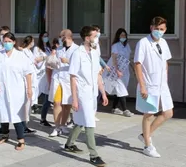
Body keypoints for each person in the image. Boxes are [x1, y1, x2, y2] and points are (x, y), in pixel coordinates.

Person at [64, 26, 107, 166]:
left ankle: (69, 144)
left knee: (82, 120)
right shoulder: (77, 53)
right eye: (95, 36)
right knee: (89, 123)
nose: (97, 38)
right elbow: (73, 77)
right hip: (82, 93)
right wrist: (75, 99)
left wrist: (103, 93)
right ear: (87, 38)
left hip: (93, 93)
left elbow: (97, 75)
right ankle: (94, 155)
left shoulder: (94, 53)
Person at [134, 16, 173, 158]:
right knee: (148, 114)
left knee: (168, 113)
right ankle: (147, 145)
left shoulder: (163, 42)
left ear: (165, 30)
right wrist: (143, 86)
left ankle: (145, 135)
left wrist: (166, 79)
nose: (159, 31)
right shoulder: (143, 43)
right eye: (156, 28)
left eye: (161, 29)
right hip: (149, 85)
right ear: (151, 27)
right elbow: (137, 64)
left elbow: (166, 62)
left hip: (162, 85)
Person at [0, 32, 33, 151]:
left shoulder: (20, 56)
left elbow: (28, 73)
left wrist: (29, 89)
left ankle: (21, 139)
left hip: (16, 90)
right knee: (3, 114)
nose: (7, 43)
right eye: (5, 41)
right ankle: (5, 135)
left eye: (9, 41)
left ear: (14, 42)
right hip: (1, 90)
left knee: (17, 115)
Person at [48, 29, 78, 137]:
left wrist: (68, 61)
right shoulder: (58, 49)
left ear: (66, 37)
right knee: (57, 103)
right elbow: (53, 62)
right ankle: (56, 127)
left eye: (61, 37)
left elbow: (79, 65)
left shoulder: (77, 49)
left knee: (67, 104)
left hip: (69, 79)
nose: (60, 39)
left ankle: (63, 125)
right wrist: (51, 60)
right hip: (57, 78)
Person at [103, 28, 134, 117]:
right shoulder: (115, 46)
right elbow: (114, 58)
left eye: (124, 35)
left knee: (119, 90)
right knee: (121, 89)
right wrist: (117, 70)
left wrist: (133, 69)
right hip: (116, 71)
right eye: (121, 35)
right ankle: (125, 109)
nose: (123, 37)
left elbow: (129, 59)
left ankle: (114, 108)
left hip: (125, 71)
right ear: (118, 36)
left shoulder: (127, 46)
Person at [34, 32, 52, 126]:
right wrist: (44, 57)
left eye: (47, 36)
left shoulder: (49, 48)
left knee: (47, 97)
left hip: (48, 74)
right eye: (44, 36)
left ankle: (43, 118)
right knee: (36, 94)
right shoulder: (37, 49)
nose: (46, 38)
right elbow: (35, 61)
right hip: (40, 74)